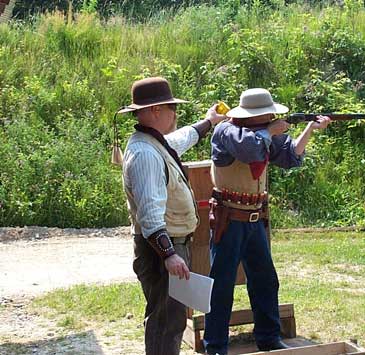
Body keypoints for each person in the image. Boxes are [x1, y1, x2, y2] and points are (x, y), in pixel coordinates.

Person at [203, 88, 331, 355]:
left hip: (254, 218)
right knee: (222, 284)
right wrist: (270, 131)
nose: (271, 118)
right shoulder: (227, 132)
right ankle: (215, 345)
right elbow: (250, 149)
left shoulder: (263, 134)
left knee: (265, 280)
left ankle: (269, 338)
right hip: (229, 219)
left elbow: (290, 156)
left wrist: (309, 129)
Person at [118, 77, 226, 355]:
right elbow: (151, 215)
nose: (174, 113)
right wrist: (169, 254)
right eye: (170, 107)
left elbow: (181, 139)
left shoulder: (153, 144)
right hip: (161, 248)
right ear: (155, 111)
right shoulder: (145, 154)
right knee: (166, 322)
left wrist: (208, 122)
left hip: (168, 245)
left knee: (172, 318)